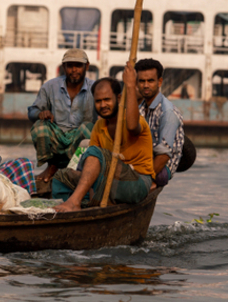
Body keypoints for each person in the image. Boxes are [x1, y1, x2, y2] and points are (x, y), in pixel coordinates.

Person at [52, 62, 154, 213]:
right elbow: (91, 163)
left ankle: (75, 202)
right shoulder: (99, 126)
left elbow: (132, 127)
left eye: (107, 100)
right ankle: (74, 205)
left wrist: (131, 85)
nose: (103, 105)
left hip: (136, 183)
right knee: (61, 176)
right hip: (108, 181)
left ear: (119, 98)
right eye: (98, 101)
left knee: (95, 152)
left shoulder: (134, 120)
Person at [28, 49, 96, 183]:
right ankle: (52, 166)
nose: (74, 70)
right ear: (64, 67)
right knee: (39, 127)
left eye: (78, 66)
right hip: (57, 138)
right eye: (70, 66)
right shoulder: (50, 86)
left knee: (88, 128)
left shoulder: (94, 88)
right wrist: (41, 113)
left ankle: (70, 168)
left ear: (86, 66)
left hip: (80, 141)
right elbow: (32, 112)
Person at [135, 58, 185, 187]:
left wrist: (143, 180)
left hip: (161, 167)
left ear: (159, 82)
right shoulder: (141, 107)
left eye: (150, 81)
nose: (146, 85)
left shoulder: (167, 113)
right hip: (144, 159)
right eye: (142, 81)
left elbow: (163, 155)